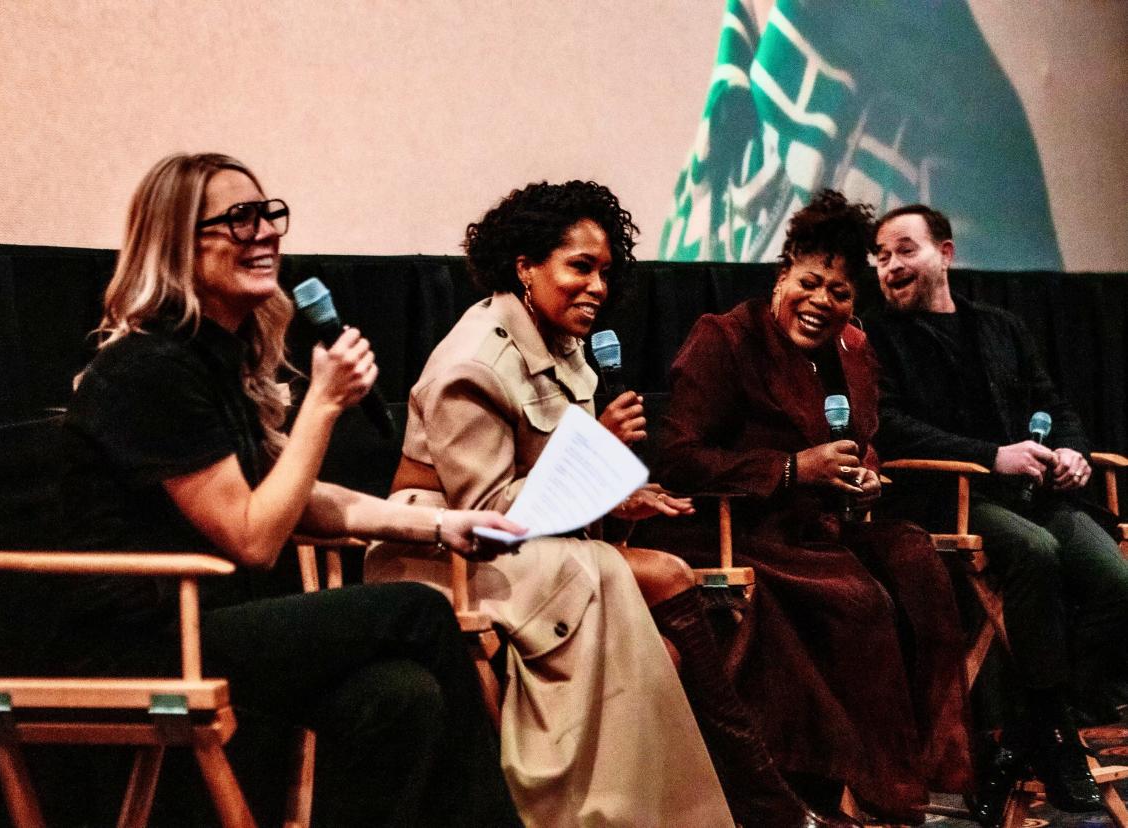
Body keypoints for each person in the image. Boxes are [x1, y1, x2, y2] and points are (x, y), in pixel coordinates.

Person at [51, 153, 523, 827]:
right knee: (419, 613)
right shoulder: (147, 370)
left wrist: (438, 525)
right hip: (146, 639)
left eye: (270, 213)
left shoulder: (214, 357)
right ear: (180, 243)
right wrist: (323, 406)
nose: (266, 231)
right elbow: (253, 537)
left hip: (215, 625)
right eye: (239, 218)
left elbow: (293, 495)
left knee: (400, 696)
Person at [366, 180, 811, 827]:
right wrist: (593, 456)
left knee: (672, 587)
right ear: (525, 266)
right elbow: (486, 511)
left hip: (528, 543)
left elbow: (544, 493)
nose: (597, 287)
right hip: (438, 553)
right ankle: (753, 803)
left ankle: (742, 800)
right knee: (663, 574)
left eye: (606, 271)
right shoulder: (475, 361)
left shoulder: (565, 346)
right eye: (580, 267)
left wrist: (617, 494)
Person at [653, 190, 973, 824]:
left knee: (919, 566)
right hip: (736, 528)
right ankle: (868, 788)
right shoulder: (726, 337)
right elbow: (680, 460)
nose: (822, 302)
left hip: (821, 527)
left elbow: (866, 439)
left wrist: (866, 474)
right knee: (858, 600)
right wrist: (794, 469)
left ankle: (940, 775)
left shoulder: (854, 349)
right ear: (783, 272)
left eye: (842, 292)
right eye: (810, 282)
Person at [868, 203, 1128, 820]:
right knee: (1036, 553)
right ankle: (1056, 737)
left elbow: (1052, 401)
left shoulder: (1001, 327)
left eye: (905, 250)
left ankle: (1034, 724)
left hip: (1035, 495)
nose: (890, 267)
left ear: (946, 253)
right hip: (950, 501)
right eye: (880, 257)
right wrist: (992, 455)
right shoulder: (877, 339)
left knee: (1118, 583)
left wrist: (1072, 451)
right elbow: (892, 428)